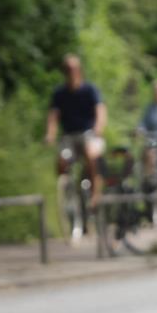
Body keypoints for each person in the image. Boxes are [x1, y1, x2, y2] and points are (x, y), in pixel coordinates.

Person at [45, 54, 107, 207]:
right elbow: (53, 116)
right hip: (69, 136)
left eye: (72, 69)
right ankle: (67, 189)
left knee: (90, 155)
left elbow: (100, 110)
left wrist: (98, 127)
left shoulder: (90, 89)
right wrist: (50, 134)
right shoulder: (59, 93)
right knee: (61, 161)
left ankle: (94, 193)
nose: (70, 72)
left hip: (88, 134)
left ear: (79, 70)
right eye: (67, 69)